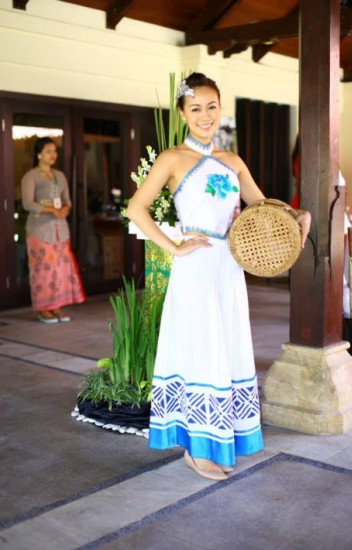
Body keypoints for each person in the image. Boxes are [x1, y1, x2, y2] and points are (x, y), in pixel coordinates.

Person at [126, 73, 311, 481]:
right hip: (194, 266)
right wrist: (173, 247)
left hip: (228, 266)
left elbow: (264, 209)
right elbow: (136, 208)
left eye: (212, 107)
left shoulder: (233, 161)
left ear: (220, 108)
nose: (205, 116)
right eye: (196, 109)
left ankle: (218, 438)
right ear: (182, 113)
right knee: (200, 349)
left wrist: (299, 219)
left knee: (225, 349)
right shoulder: (172, 158)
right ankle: (196, 447)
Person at [21, 137, 86, 323]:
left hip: (60, 229)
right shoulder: (31, 176)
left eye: (54, 151)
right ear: (39, 153)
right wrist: (51, 209)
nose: (53, 155)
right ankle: (42, 308)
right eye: (48, 151)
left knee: (59, 269)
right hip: (39, 230)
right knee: (43, 269)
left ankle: (56, 306)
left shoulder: (60, 175)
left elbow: (68, 200)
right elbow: (27, 203)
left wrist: (65, 209)